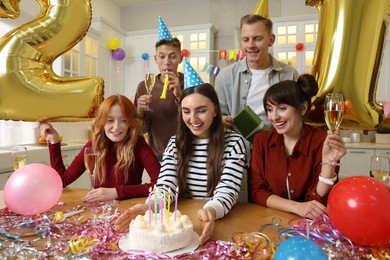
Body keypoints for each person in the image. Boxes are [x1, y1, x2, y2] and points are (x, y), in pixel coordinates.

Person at [115, 83, 247, 245]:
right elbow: (166, 185)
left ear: (215, 110)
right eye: (186, 111)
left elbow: (227, 190)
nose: (193, 119)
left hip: (219, 219)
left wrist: (209, 211)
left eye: (201, 110)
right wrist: (149, 206)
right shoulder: (175, 143)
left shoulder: (234, 142)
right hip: (181, 223)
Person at [248, 74, 346, 219]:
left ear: (302, 108)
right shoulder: (261, 140)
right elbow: (256, 191)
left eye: (282, 108)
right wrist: (296, 207)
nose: (274, 117)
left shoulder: (322, 141)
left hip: (309, 225)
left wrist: (329, 165)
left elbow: (319, 201)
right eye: (269, 109)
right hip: (270, 220)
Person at [39, 95, 160, 203]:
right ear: (102, 121)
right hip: (99, 211)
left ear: (130, 123)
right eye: (110, 120)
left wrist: (116, 192)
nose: (116, 127)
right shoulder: (94, 144)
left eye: (123, 120)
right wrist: (54, 141)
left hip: (127, 210)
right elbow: (62, 181)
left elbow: (160, 185)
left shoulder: (138, 143)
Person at [215, 14, 299, 129]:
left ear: (271, 40)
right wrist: (221, 119)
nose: (250, 45)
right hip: (238, 145)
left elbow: (299, 116)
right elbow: (217, 114)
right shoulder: (224, 76)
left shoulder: (290, 75)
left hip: (278, 145)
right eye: (246, 39)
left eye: (257, 38)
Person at [134, 38, 184, 161]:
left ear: (180, 58)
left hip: (186, 153)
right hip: (157, 155)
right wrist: (140, 111)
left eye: (172, 56)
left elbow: (199, 121)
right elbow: (141, 129)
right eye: (162, 57)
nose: (167, 62)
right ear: (156, 59)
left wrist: (180, 95)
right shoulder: (144, 86)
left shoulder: (191, 83)